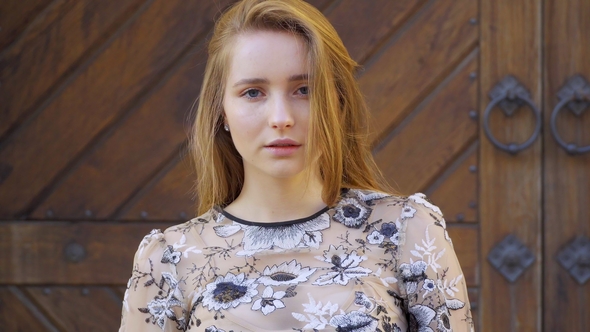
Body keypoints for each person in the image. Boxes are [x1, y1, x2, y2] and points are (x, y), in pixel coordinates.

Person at [119, 0, 474, 331]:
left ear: (337, 102)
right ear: (221, 111)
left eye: (304, 89)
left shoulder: (405, 231)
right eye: (253, 92)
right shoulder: (169, 258)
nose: (281, 118)